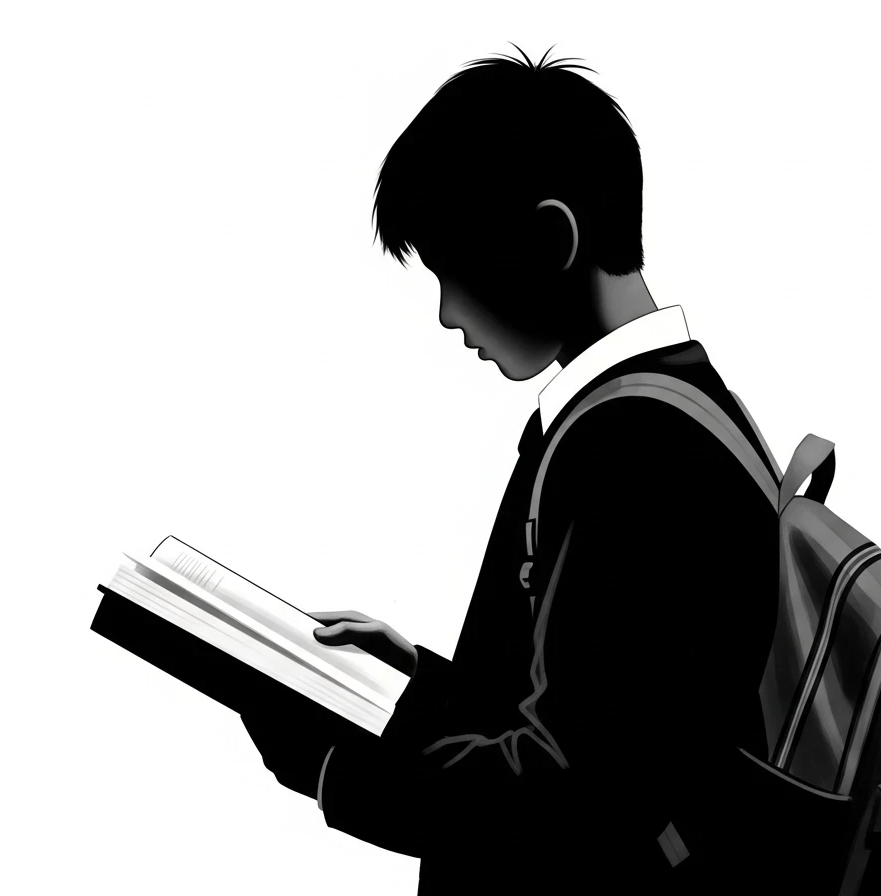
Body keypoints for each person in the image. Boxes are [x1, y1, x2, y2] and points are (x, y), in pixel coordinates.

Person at [241, 46, 780, 893]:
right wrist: (420, 683)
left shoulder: (636, 451)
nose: (452, 315)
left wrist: (337, 776)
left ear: (552, 238)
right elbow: (596, 703)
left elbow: (576, 794)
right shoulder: (668, 405)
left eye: (461, 274)